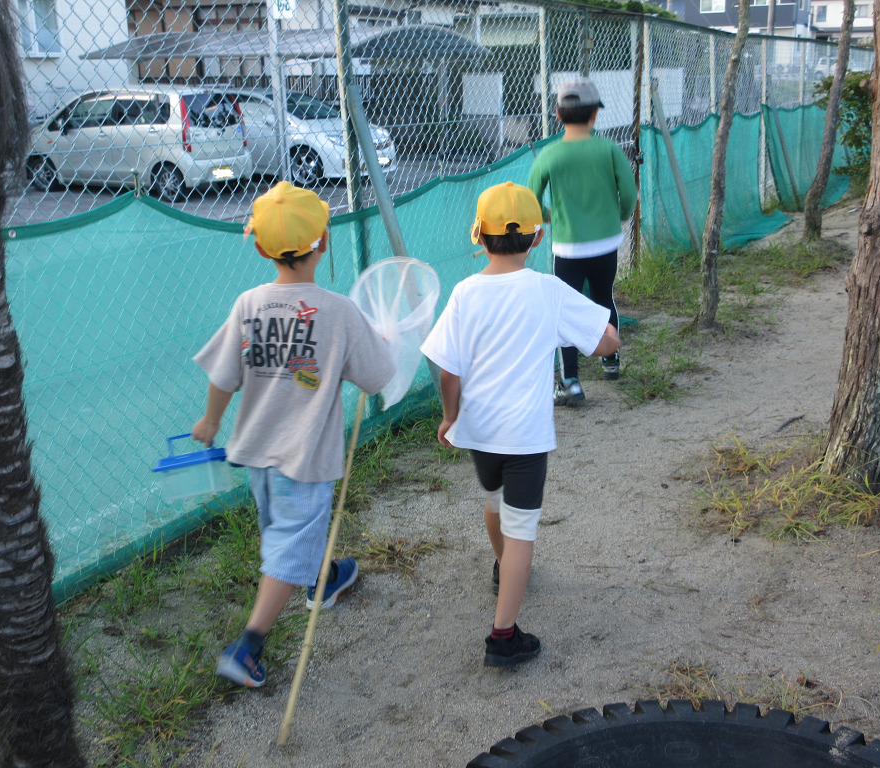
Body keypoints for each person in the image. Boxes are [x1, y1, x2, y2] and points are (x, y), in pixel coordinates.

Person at [191, 181, 395, 688]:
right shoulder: (339, 311)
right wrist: (381, 341)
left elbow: (223, 373)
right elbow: (377, 376)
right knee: (289, 543)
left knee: (287, 533)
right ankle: (249, 644)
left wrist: (211, 421)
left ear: (260, 247)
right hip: (302, 459)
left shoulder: (249, 304)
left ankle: (324, 578)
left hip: (256, 453)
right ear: (323, 241)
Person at [421, 182, 620, 667]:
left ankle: (502, 565)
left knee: (495, 503)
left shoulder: (465, 292)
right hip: (525, 438)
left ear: (479, 237)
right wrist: (605, 334)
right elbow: (606, 341)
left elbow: (448, 370)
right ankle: (503, 635)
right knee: (523, 530)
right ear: (536, 239)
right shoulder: (548, 290)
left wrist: (451, 416)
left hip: (480, 432)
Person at [527, 76, 637, 406]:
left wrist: (551, 215)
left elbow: (531, 201)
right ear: (595, 115)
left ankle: (571, 382)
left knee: (565, 309)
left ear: (558, 116)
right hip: (605, 243)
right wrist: (616, 214)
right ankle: (611, 360)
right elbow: (629, 194)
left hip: (567, 247)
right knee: (604, 296)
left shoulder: (549, 155)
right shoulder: (609, 149)